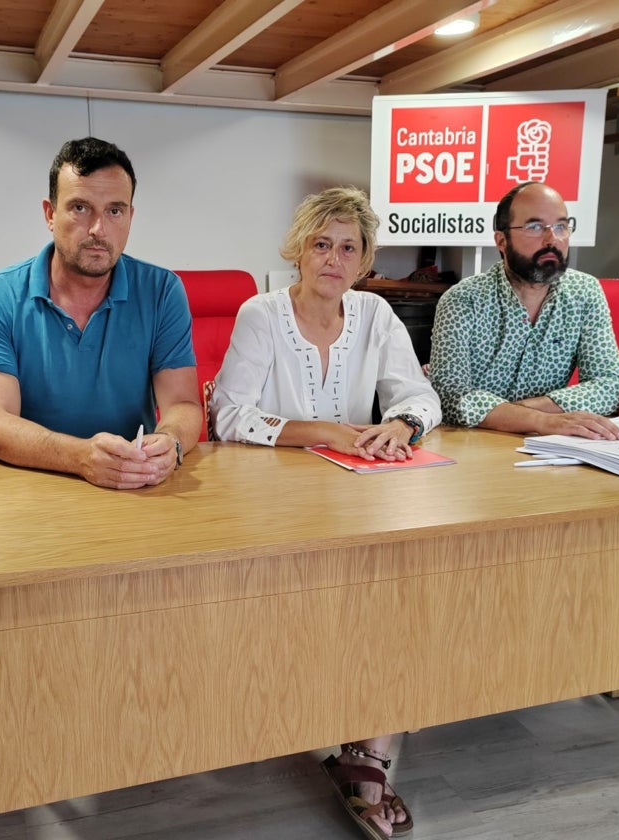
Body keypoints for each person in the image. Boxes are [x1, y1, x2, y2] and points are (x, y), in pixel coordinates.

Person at [212, 186, 437, 839]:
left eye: (348, 247)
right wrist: (323, 432)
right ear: (299, 249)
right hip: (276, 503)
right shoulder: (261, 314)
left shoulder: (374, 313)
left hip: (363, 496)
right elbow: (228, 415)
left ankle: (368, 753)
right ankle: (319, 722)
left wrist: (398, 424)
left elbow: (421, 396)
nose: (333, 259)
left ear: (364, 258)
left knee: (402, 588)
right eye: (321, 244)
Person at [0, 137, 201, 489]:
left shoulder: (162, 290)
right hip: (28, 485)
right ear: (49, 214)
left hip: (133, 484)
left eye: (115, 211)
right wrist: (79, 456)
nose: (98, 230)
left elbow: (182, 403)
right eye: (80, 208)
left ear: (130, 216)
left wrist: (171, 442)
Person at [428, 181, 619, 438]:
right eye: (534, 227)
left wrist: (525, 412)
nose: (552, 239)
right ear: (501, 240)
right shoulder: (463, 300)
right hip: (474, 443)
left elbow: (610, 386)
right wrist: (543, 421)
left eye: (561, 226)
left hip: (551, 447)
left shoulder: (584, 292)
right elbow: (452, 397)